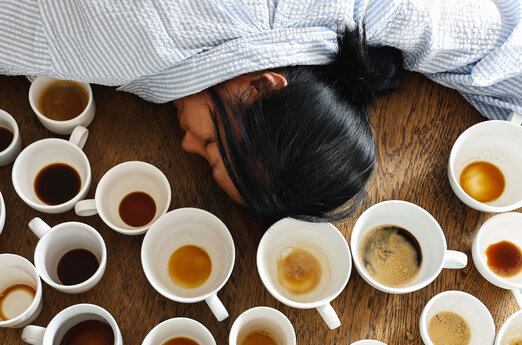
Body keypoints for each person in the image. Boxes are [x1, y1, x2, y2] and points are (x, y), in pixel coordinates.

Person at [1, 0, 521, 224]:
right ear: (261, 86)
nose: (187, 144)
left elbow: (500, 45)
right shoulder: (134, 36)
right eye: (211, 146)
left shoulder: (386, 19)